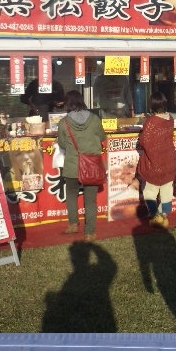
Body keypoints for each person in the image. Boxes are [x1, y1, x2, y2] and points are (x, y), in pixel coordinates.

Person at [57, 89, 106, 241]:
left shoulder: (64, 122)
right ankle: (89, 232)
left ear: (67, 103)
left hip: (72, 165)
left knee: (71, 194)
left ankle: (73, 224)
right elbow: (102, 137)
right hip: (92, 166)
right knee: (90, 200)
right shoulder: (95, 119)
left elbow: (62, 144)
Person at [135, 91, 176, 229]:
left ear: (152, 105)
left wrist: (146, 122)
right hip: (169, 159)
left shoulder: (151, 121)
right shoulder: (170, 118)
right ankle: (164, 214)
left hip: (155, 160)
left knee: (150, 191)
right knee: (167, 190)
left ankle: (154, 215)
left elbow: (144, 140)